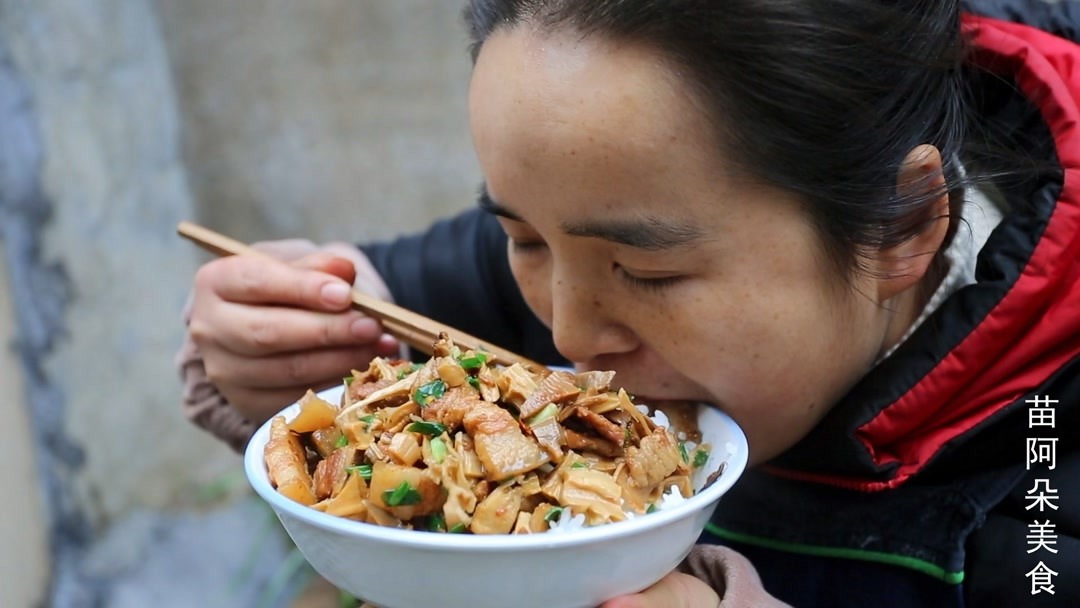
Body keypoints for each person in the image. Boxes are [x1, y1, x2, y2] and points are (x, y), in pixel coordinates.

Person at [178, 0, 1080, 605]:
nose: (569, 334)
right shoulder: (592, 231)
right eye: (524, 237)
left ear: (904, 225)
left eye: (647, 275)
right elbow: (386, 297)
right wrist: (303, 322)